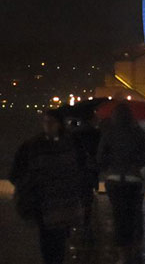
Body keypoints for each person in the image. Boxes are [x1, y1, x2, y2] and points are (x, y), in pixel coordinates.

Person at [10, 109, 83, 264]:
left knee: (53, 242)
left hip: (54, 202)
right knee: (53, 242)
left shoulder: (34, 145)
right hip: (51, 202)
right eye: (46, 122)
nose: (48, 126)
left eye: (51, 122)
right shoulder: (68, 145)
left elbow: (16, 174)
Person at [97, 104, 145, 264]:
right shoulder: (138, 133)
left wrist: (111, 165)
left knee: (118, 216)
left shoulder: (108, 134)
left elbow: (100, 158)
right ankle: (135, 248)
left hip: (114, 180)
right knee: (134, 213)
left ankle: (123, 255)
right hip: (134, 180)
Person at [71, 112, 102, 242]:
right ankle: (86, 224)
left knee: (78, 195)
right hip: (90, 169)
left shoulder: (73, 133)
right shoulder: (96, 134)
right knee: (87, 197)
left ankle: (75, 222)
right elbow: (99, 152)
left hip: (76, 168)